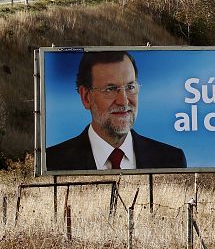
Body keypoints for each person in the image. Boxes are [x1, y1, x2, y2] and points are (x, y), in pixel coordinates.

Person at [46, 50, 186, 171]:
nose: (123, 101)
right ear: (86, 97)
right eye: (110, 89)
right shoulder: (52, 161)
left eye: (130, 87)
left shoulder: (172, 159)